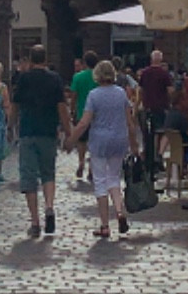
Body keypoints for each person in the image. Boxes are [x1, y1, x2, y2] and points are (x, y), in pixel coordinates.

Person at [69, 59, 141, 239]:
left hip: (100, 142)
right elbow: (130, 122)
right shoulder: (121, 94)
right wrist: (134, 145)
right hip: (119, 140)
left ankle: (104, 225)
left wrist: (71, 139)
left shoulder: (94, 95)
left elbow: (85, 121)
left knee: (100, 181)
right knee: (114, 178)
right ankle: (119, 211)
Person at [10, 45, 71, 236]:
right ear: (45, 59)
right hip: (48, 131)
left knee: (28, 176)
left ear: (30, 59)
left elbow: (15, 105)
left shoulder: (23, 79)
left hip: (28, 131)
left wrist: (10, 127)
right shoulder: (54, 79)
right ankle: (50, 206)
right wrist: (68, 131)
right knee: (48, 173)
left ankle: (35, 222)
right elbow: (62, 107)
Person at [137, 50, 173, 183]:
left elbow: (140, 91)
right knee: (163, 131)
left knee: (149, 134)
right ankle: (158, 155)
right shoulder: (164, 74)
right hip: (161, 107)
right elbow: (170, 91)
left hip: (147, 107)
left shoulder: (145, 73)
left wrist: (139, 105)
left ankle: (149, 156)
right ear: (161, 59)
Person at [69, 51, 99, 183]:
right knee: (94, 142)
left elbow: (73, 95)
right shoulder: (98, 77)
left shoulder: (78, 77)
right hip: (97, 115)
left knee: (81, 141)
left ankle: (81, 162)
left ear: (84, 63)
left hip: (82, 113)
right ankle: (92, 168)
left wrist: (72, 110)